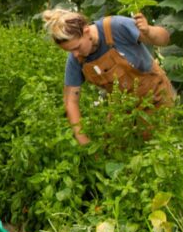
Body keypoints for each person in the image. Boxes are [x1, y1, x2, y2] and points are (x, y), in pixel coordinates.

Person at [43, 9, 174, 145]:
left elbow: (164, 39)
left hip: (156, 95)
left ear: (86, 30)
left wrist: (149, 32)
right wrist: (83, 140)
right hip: (123, 104)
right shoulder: (76, 59)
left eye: (77, 47)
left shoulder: (116, 27)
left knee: (158, 143)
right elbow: (71, 100)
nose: (75, 54)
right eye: (70, 50)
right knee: (112, 145)